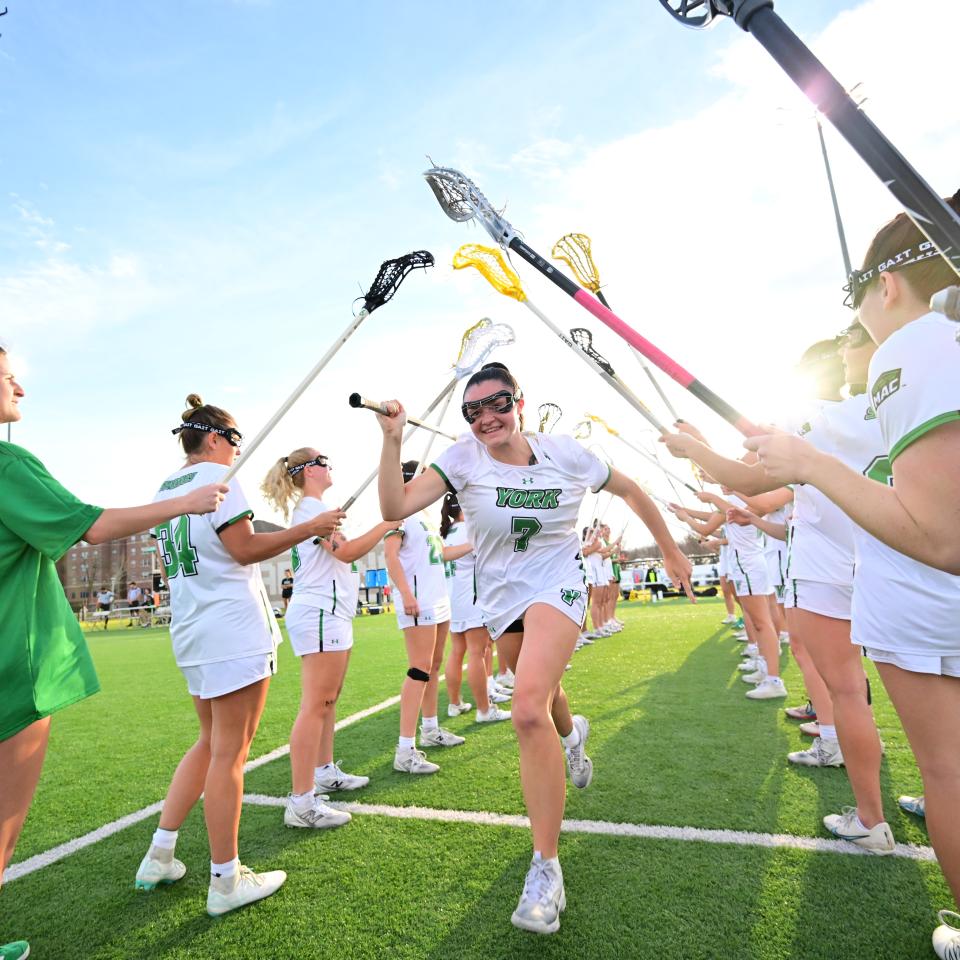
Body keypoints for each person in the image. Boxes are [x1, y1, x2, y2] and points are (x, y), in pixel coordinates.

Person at [374, 362, 693, 934]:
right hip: (501, 598)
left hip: (559, 582)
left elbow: (632, 489)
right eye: (473, 411)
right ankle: (574, 736)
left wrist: (670, 550)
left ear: (520, 400)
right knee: (542, 695)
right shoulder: (461, 459)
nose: (486, 418)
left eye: (497, 404)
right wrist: (393, 439)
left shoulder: (565, 453)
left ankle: (546, 868)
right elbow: (394, 509)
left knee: (524, 708)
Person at [742, 196, 960, 958]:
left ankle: (877, 824)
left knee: (948, 774)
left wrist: (807, 465)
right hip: (908, 593)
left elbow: (939, 534)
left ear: (889, 285)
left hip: (926, 599)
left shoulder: (920, 346)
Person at [0, 354, 228, 960]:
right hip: (12, 664)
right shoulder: (6, 462)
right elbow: (92, 528)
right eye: (7, 376)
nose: (19, 386)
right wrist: (188, 502)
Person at [134, 395, 344, 918]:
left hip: (192, 630)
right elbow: (245, 549)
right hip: (232, 630)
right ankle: (226, 880)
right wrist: (306, 529)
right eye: (234, 441)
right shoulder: (219, 484)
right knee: (230, 753)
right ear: (213, 439)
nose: (236, 452)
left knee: (209, 743)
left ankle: (159, 854)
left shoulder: (166, 488)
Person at [261, 447, 396, 827]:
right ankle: (301, 802)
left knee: (328, 701)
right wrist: (385, 525)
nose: (329, 465)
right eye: (323, 461)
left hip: (331, 612)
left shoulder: (315, 511)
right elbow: (348, 553)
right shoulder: (309, 512)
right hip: (320, 612)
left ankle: (323, 771)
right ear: (308, 471)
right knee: (315, 704)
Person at [385, 460, 473, 775]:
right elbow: (390, 556)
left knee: (433, 666)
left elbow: (440, 554)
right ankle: (405, 749)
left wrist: (472, 544)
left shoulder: (421, 516)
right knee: (419, 670)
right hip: (418, 602)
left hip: (438, 600)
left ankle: (431, 728)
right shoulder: (399, 512)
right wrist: (407, 595)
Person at [440, 492, 510, 723]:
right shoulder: (467, 530)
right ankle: (484, 709)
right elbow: (488, 560)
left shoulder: (446, 531)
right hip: (472, 598)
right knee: (477, 653)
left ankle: (455, 703)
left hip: (454, 599)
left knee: (458, 651)